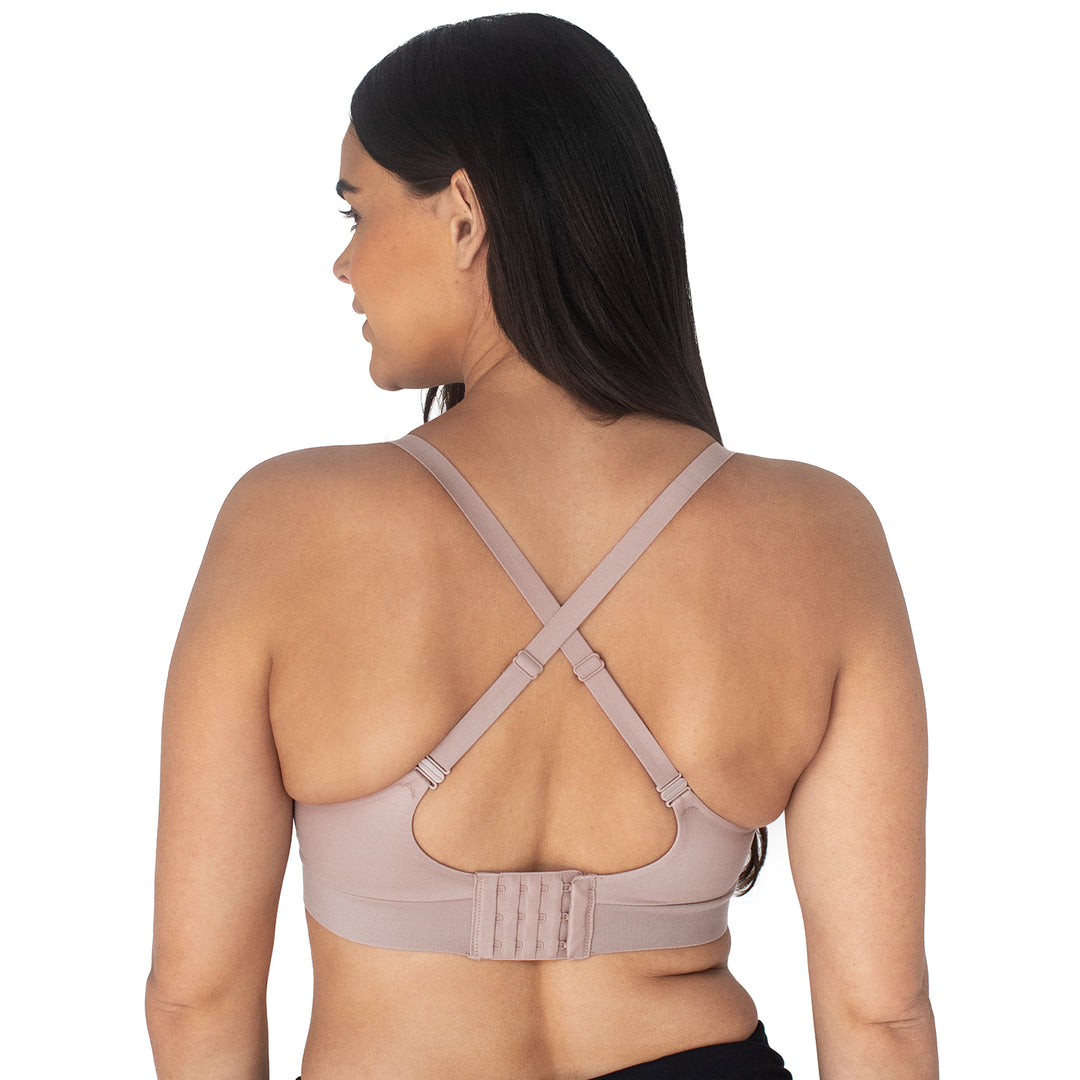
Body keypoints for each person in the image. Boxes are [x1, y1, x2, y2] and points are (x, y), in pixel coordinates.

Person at [145, 14, 937, 1079]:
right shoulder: (820, 537)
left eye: (356, 210)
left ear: (464, 217)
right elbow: (881, 1016)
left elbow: (195, 998)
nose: (343, 263)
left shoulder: (285, 523)